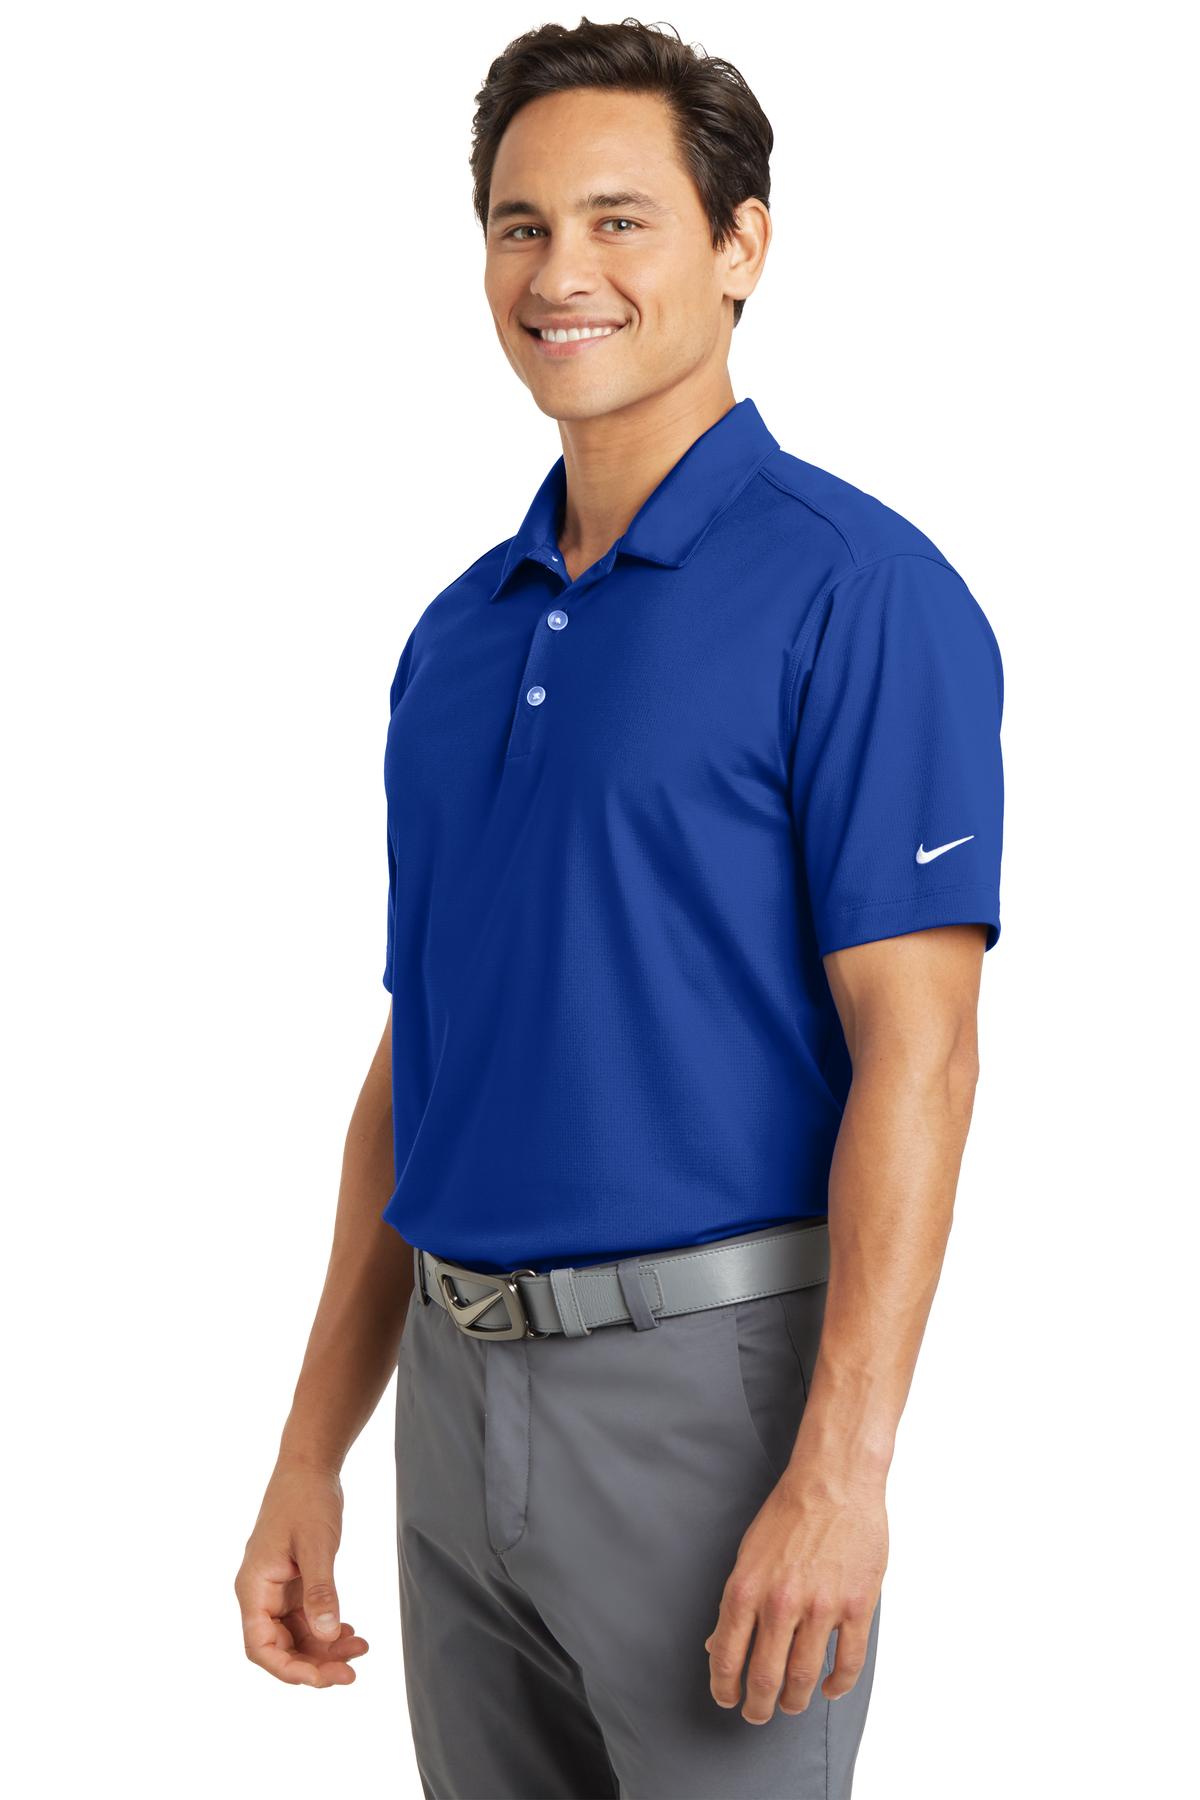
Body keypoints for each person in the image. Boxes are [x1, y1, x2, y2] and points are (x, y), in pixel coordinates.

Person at [235, 19, 1004, 1798]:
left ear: (741, 247)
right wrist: (311, 1446)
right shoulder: (459, 634)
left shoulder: (860, 594)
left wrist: (842, 1472)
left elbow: (925, 1056)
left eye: (618, 220)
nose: (559, 271)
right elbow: (425, 1056)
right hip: (449, 1392)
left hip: (709, 1402)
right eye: (520, 226)